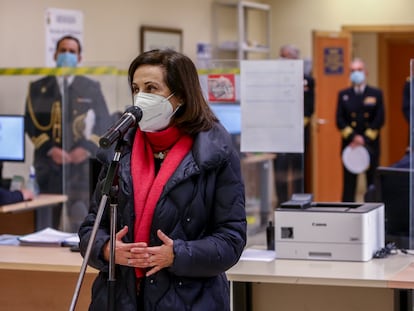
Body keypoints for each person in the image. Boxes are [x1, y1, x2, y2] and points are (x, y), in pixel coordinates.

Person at [78, 49, 247, 311]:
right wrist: (107, 249)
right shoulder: (120, 148)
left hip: (190, 300)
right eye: (135, 88)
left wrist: (178, 254)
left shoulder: (216, 153)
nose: (140, 98)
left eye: (151, 88)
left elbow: (231, 239)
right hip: (119, 297)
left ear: (180, 95)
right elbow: (90, 227)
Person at [24, 35, 111, 232]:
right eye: (63, 50)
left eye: (72, 52)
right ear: (55, 54)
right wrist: (49, 149)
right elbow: (30, 124)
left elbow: (104, 122)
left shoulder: (91, 87)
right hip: (48, 166)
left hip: (80, 169)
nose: (67, 55)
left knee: (79, 223)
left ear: (79, 58)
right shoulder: (38, 87)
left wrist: (87, 148)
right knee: (44, 225)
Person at [336, 58, 385, 202]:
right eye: (352, 71)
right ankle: (346, 216)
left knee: (372, 184)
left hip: (370, 145)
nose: (356, 73)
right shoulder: (344, 94)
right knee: (348, 185)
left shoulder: (376, 93)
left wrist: (364, 139)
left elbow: (379, 119)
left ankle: (372, 216)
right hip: (350, 146)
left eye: (359, 70)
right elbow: (339, 120)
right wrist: (353, 138)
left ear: (366, 72)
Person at [273, 44, 315, 205]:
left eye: (285, 56)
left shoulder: (307, 80)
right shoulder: (274, 79)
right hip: (279, 133)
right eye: (281, 56)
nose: (282, 59)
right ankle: (281, 203)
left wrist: (296, 126)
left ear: (295, 59)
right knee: (280, 172)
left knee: (298, 171)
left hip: (298, 132)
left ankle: (298, 203)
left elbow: (309, 109)